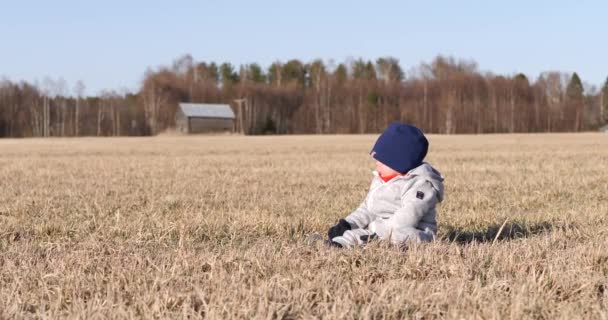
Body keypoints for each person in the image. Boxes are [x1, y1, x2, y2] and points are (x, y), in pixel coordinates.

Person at [326, 122, 444, 248]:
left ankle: (345, 243)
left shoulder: (420, 186)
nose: (376, 162)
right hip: (380, 228)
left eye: (382, 159)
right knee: (364, 233)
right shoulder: (380, 179)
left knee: (396, 236)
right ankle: (339, 241)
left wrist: (376, 229)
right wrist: (349, 224)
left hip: (414, 233)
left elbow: (407, 218)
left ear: (399, 162)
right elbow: (368, 208)